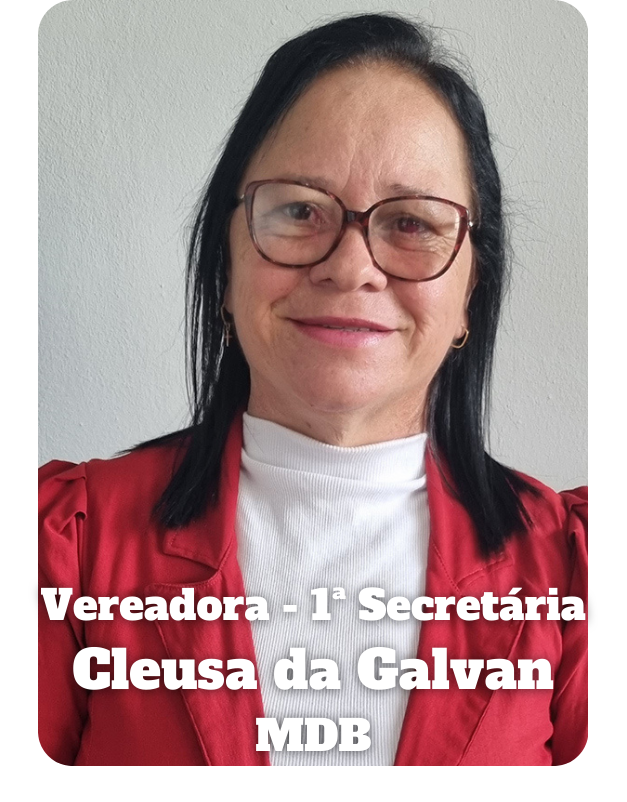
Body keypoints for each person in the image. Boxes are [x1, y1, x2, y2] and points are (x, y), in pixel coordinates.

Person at [38, 13, 587, 766]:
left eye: (412, 223)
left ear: (470, 292)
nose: (350, 267)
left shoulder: (576, 573)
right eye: (299, 210)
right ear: (226, 264)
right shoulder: (61, 549)